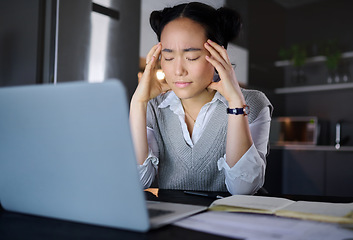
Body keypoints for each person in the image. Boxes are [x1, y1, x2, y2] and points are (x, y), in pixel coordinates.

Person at [130, 2, 273, 195]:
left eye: (192, 58)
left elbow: (243, 188)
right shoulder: (154, 107)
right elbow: (140, 182)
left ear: (218, 55)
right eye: (169, 58)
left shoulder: (254, 103)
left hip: (227, 221)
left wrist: (236, 104)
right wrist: (138, 104)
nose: (178, 70)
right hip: (172, 219)